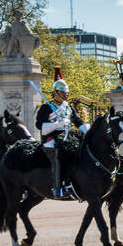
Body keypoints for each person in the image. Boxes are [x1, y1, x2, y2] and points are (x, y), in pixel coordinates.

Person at [35, 67, 87, 198]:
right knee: (59, 154)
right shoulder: (46, 107)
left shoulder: (68, 107)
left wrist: (88, 131)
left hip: (66, 136)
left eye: (66, 92)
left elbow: (78, 121)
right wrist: (58, 124)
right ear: (55, 92)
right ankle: (58, 187)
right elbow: (40, 125)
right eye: (63, 92)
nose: (66, 95)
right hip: (50, 139)